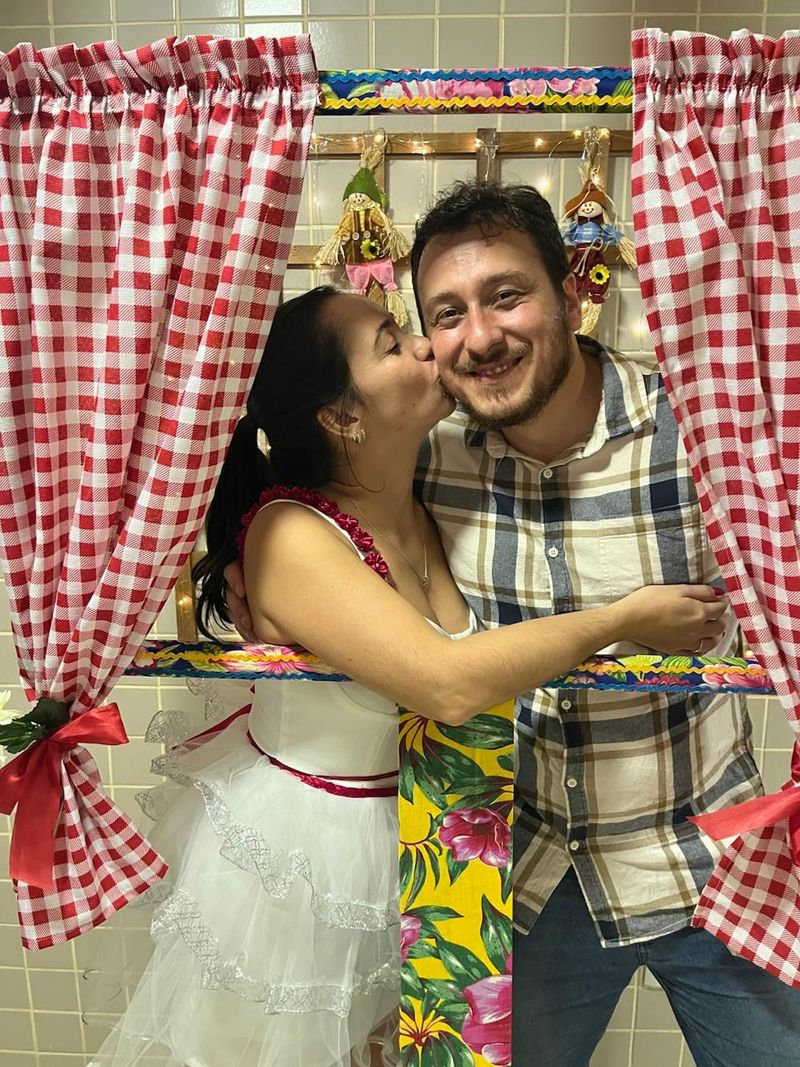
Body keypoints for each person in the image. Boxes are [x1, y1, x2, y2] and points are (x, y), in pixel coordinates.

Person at [223, 182, 800, 1066]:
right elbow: (332, 507)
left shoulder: (699, 435)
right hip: (523, 878)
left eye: (506, 295)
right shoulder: (429, 455)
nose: (475, 337)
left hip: (713, 853)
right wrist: (255, 572)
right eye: (443, 314)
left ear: (570, 293)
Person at [88, 285, 725, 1067]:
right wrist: (623, 619)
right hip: (304, 864)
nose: (426, 345)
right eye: (393, 343)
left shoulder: (420, 499)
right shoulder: (291, 534)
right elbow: (449, 683)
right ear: (342, 416)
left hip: (415, 840)